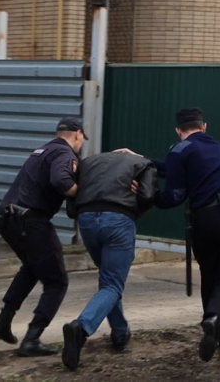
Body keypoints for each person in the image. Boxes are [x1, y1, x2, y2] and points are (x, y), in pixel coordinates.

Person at [116, 108, 220, 362]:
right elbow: (174, 169)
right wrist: (143, 159)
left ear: (178, 130)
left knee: (210, 276)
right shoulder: (215, 146)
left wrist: (148, 196)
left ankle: (212, 322)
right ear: (204, 127)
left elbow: (175, 195)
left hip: (209, 218)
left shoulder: (179, 150)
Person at [0, 117, 85, 357]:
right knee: (57, 282)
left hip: (7, 218)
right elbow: (61, 181)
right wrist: (83, 192)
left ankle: (3, 322)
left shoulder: (42, 150)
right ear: (78, 135)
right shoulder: (65, 154)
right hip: (30, 221)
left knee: (32, 267)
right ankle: (32, 338)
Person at [60, 152, 159, 370]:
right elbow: (147, 195)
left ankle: (120, 334)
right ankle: (81, 328)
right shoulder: (143, 163)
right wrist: (133, 211)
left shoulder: (87, 162)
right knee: (112, 284)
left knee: (108, 282)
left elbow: (71, 203)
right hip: (118, 220)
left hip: (87, 220)